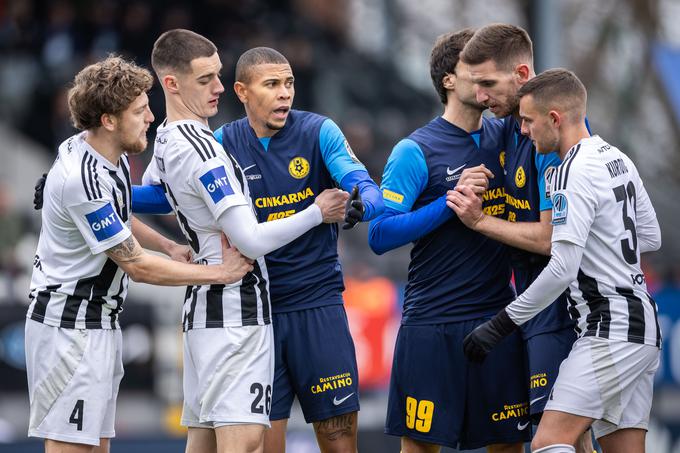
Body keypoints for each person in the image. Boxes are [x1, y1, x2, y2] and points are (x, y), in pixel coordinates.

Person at [26, 56, 254, 453]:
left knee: (97, 447)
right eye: (139, 111)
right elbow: (137, 266)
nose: (151, 117)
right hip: (69, 329)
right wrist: (220, 273)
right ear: (109, 120)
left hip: (97, 326)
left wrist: (168, 245)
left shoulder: (100, 152)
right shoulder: (83, 178)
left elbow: (118, 218)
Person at [144, 31, 349, 453]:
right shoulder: (207, 148)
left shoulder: (166, 138)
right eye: (206, 80)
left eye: (218, 76)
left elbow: (151, 191)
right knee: (247, 442)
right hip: (236, 312)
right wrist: (316, 212)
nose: (218, 88)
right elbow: (250, 241)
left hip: (206, 311)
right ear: (172, 84)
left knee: (203, 439)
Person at [463, 68, 662, 453]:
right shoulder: (616, 157)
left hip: (610, 328)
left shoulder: (570, 170)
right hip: (643, 328)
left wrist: (500, 325)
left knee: (549, 442)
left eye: (529, 121)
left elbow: (562, 267)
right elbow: (650, 235)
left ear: (554, 119)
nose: (523, 131)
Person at [213, 46, 384, 453]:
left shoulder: (319, 131)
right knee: (264, 445)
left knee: (339, 441)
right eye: (271, 84)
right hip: (257, 312)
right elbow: (169, 194)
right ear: (242, 91)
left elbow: (362, 182)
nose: (284, 93)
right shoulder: (222, 142)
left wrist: (364, 202)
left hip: (317, 304)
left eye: (288, 83)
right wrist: (117, 193)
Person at [368, 29, 529, 453]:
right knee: (420, 448)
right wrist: (449, 203)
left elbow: (566, 112)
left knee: (509, 445)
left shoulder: (508, 134)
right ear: (448, 81)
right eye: (473, 72)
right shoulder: (414, 150)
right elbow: (380, 234)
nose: (483, 82)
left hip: (497, 319)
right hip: (432, 324)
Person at [453, 24, 588, 449]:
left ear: (522, 74)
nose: (481, 97)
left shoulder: (551, 139)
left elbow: (551, 239)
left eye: (489, 84)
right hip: (532, 303)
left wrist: (478, 222)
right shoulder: (512, 128)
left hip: (562, 308)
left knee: (556, 440)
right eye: (476, 85)